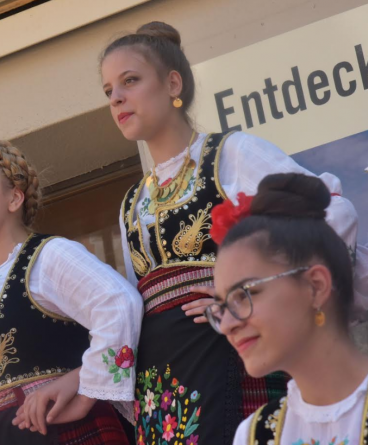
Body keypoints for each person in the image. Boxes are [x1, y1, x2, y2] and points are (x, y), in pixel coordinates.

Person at [98, 21, 366, 444]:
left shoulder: (232, 154)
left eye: (129, 81)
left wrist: (237, 293)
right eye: (108, 89)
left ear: (173, 83)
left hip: (230, 365)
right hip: (163, 390)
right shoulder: (132, 202)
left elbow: (330, 213)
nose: (116, 97)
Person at [0, 136, 143, 445]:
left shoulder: (48, 257)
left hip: (58, 433)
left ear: (14, 198)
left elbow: (118, 304)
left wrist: (85, 386)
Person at [205, 173, 368, 444]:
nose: (226, 325)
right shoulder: (254, 434)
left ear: (315, 286)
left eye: (245, 294)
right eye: (221, 307)